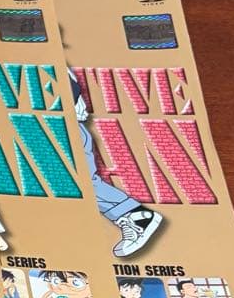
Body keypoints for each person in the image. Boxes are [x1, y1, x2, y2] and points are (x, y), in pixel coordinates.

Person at [70, 69, 164, 257]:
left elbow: (65, 86)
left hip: (65, 127)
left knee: (79, 181)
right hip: (50, 125)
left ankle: (134, 216)